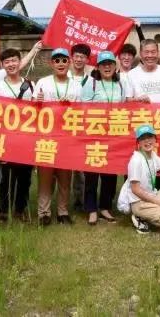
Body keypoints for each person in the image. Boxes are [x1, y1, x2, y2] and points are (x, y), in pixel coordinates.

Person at [33, 48, 83, 226]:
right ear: (51, 63)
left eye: (64, 60)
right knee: (45, 178)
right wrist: (37, 102)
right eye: (57, 61)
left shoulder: (77, 85)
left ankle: (63, 212)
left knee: (65, 177)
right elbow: (33, 109)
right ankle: (44, 213)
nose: (60, 64)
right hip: (47, 136)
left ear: (69, 63)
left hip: (67, 138)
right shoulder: (43, 82)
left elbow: (82, 111)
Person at [0, 47, 36, 222]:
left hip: (26, 138)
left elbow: (37, 111)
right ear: (2, 65)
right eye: (7, 62)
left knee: (25, 177)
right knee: (7, 177)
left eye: (14, 60)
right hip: (7, 139)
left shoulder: (31, 85)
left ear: (19, 62)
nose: (11, 64)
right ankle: (3, 210)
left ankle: (20, 209)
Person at [80, 51, 125, 225]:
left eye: (110, 63)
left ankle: (105, 207)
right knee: (92, 174)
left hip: (114, 136)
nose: (107, 67)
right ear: (98, 67)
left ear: (115, 66)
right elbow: (83, 110)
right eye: (103, 64)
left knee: (110, 174)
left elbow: (124, 109)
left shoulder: (120, 84)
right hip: (94, 135)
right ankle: (91, 209)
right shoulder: (91, 83)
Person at [68, 43, 92, 211]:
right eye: (76, 56)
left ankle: (80, 199)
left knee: (81, 165)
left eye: (82, 57)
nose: (78, 59)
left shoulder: (91, 80)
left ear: (87, 60)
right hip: (64, 126)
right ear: (71, 58)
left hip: (84, 126)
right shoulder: (63, 76)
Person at [126, 39, 160, 103]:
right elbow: (128, 99)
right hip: (141, 109)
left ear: (158, 53)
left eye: (153, 52)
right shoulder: (132, 74)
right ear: (140, 53)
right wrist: (138, 99)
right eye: (146, 52)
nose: (150, 55)